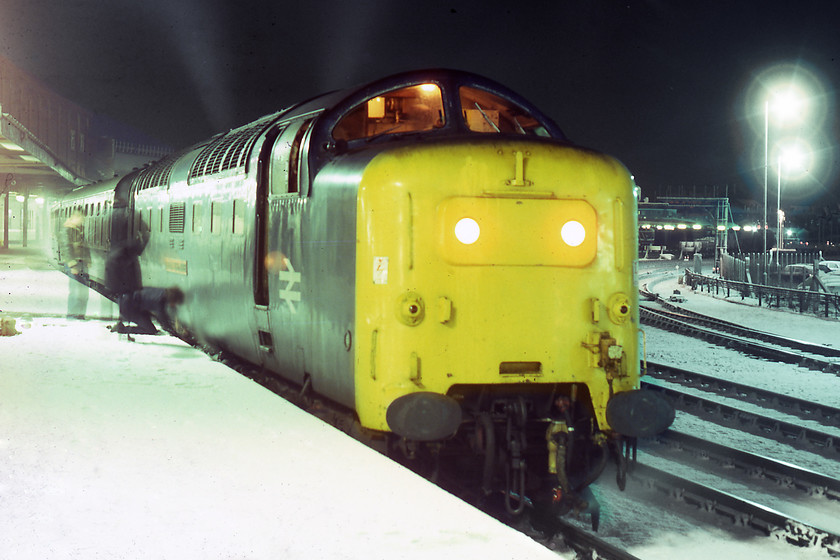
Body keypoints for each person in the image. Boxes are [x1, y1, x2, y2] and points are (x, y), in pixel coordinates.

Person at [112, 287, 184, 335]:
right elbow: (163, 320)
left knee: (150, 324)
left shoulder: (162, 292)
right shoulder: (159, 301)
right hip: (128, 309)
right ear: (172, 299)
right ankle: (122, 329)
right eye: (175, 303)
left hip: (129, 302)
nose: (174, 305)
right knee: (150, 330)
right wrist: (173, 332)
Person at [61, 211, 90, 319]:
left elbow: (84, 246)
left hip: (81, 264)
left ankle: (80, 315)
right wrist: (72, 265)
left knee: (83, 292)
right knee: (75, 291)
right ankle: (72, 315)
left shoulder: (78, 229)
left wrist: (88, 259)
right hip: (74, 265)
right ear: (75, 217)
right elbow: (66, 247)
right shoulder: (67, 230)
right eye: (82, 218)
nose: (83, 220)